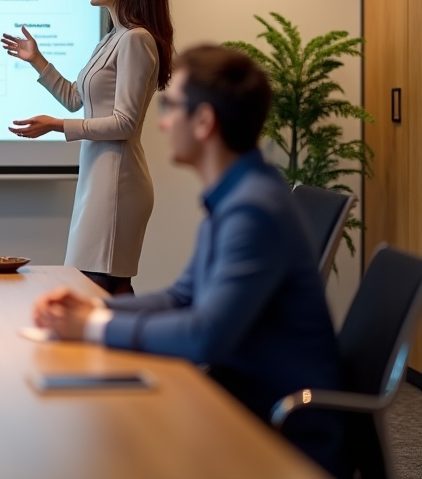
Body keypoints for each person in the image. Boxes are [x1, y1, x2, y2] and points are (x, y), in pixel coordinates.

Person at [32, 45, 346, 478]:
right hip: (239, 403)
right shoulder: (241, 194)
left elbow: (204, 336)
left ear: (204, 122)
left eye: (170, 107)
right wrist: (98, 308)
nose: (161, 123)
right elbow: (183, 297)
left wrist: (89, 327)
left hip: (278, 431)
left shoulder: (253, 209)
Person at [2, 0, 173, 294]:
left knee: (99, 284)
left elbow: (124, 123)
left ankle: (132, 344)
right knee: (99, 284)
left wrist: (57, 126)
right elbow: (74, 98)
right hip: (99, 177)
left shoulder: (136, 40)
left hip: (118, 182)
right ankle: (128, 343)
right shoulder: (112, 38)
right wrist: (38, 60)